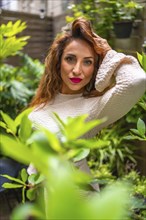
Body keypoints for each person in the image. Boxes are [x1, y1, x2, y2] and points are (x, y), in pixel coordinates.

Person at [27, 17, 146, 192]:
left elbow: (136, 80)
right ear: (58, 61)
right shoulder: (44, 102)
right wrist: (33, 173)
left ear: (96, 68)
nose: (77, 70)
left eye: (87, 62)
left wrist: (107, 52)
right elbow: (41, 144)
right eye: (70, 59)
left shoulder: (94, 107)